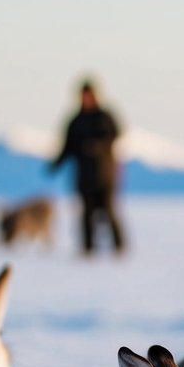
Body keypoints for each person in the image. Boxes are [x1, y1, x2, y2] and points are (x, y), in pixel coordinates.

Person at [49, 80, 125, 255]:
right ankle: (88, 249)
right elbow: (67, 147)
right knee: (86, 214)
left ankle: (119, 249)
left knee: (109, 211)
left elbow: (115, 134)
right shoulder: (76, 121)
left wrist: (98, 145)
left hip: (105, 176)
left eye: (88, 95)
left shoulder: (105, 117)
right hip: (84, 178)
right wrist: (56, 164)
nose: (86, 99)